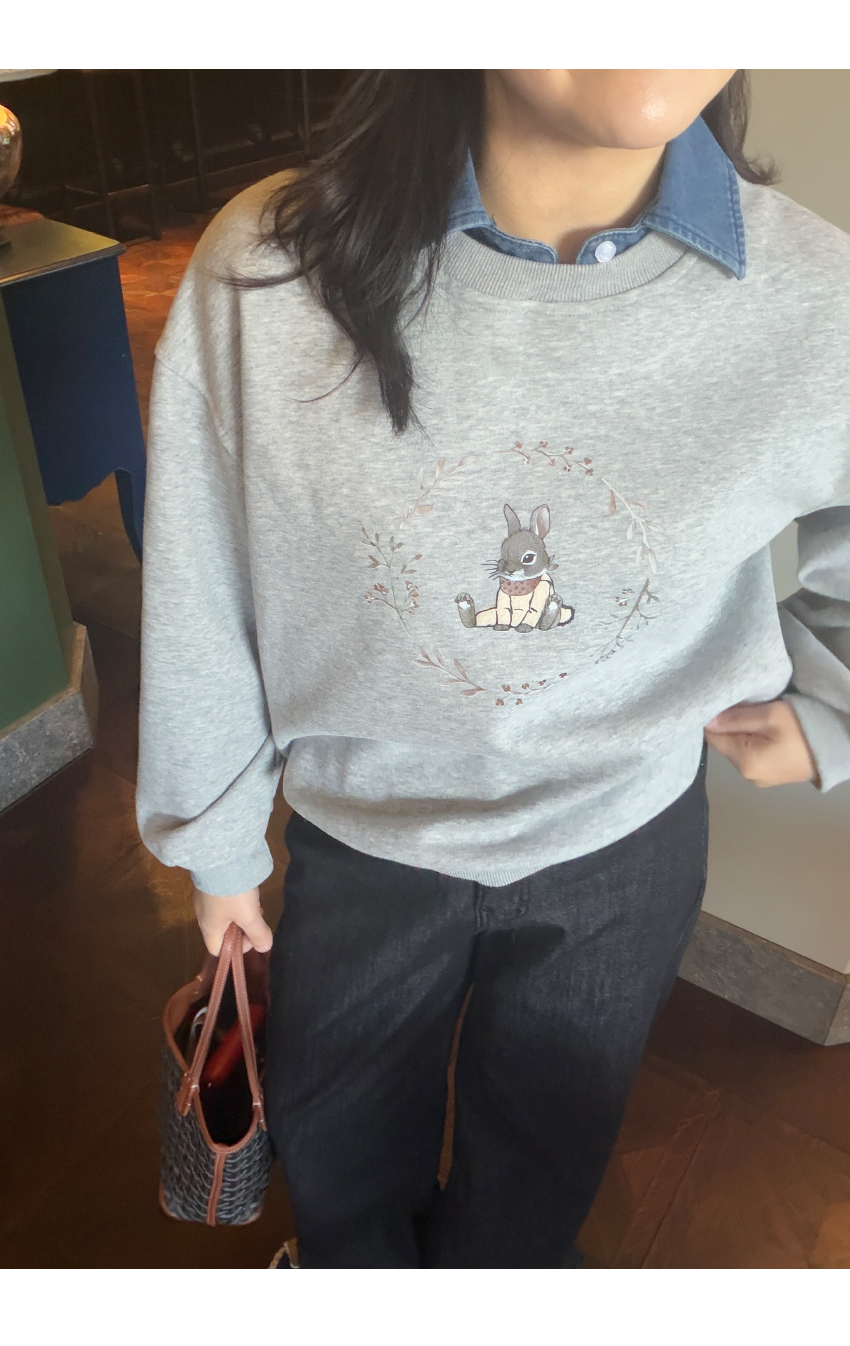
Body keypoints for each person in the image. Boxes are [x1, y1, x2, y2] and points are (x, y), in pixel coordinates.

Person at [137, 71, 850, 1268]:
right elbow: (200, 572)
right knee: (339, 1152)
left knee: (541, 1168)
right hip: (361, 838)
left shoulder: (818, 297)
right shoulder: (265, 267)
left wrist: (831, 703)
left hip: (626, 840)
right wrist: (214, 838)